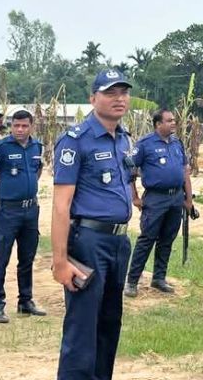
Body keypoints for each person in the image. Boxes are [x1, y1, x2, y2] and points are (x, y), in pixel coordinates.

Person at [51, 68, 138, 380]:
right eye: (110, 92)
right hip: (88, 241)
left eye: (123, 92)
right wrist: (59, 261)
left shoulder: (125, 139)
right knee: (82, 327)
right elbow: (61, 206)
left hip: (118, 242)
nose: (119, 99)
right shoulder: (76, 141)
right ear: (92, 99)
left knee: (109, 322)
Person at [0, 109, 47, 323]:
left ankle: (25, 301)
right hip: (8, 211)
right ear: (11, 126)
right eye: (16, 126)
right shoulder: (0, 147)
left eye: (24, 126)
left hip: (31, 211)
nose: (20, 130)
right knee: (1, 258)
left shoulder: (37, 147)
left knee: (27, 258)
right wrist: (0, 197)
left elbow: (37, 171)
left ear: (31, 126)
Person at [124, 108, 194, 297]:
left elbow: (184, 171)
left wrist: (188, 198)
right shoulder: (145, 144)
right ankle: (131, 281)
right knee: (147, 239)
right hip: (155, 198)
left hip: (176, 197)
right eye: (169, 120)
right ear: (158, 124)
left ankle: (159, 278)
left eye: (174, 120)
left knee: (167, 239)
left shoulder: (177, 143)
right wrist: (135, 197)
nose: (174, 123)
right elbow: (130, 170)